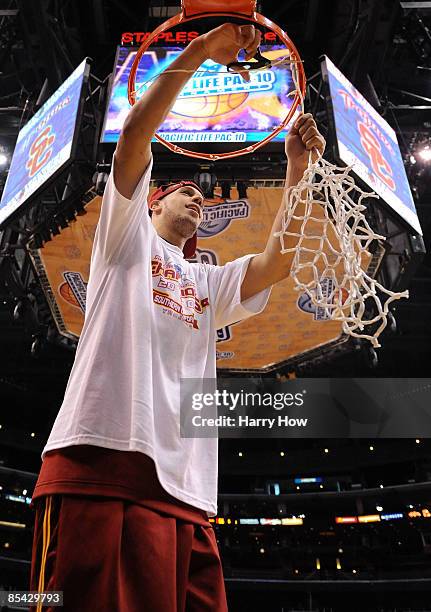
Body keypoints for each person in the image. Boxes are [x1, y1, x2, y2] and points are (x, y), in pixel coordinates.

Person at [29, 23, 325, 612]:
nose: (199, 199)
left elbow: (275, 262)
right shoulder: (125, 237)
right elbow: (136, 134)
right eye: (184, 192)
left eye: (204, 198)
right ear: (154, 200)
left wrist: (297, 172)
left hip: (186, 490)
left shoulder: (206, 281)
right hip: (100, 460)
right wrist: (200, 52)